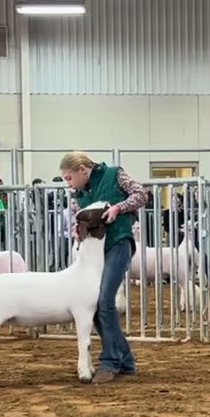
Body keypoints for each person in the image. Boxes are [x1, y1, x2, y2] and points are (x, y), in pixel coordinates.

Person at [60, 151, 149, 384]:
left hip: (119, 243)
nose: (68, 183)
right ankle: (126, 361)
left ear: (82, 169)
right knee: (97, 304)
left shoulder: (115, 174)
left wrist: (119, 207)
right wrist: (76, 230)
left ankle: (110, 361)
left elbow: (141, 194)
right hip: (95, 252)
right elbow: (78, 221)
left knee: (104, 302)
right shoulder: (77, 195)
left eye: (69, 178)